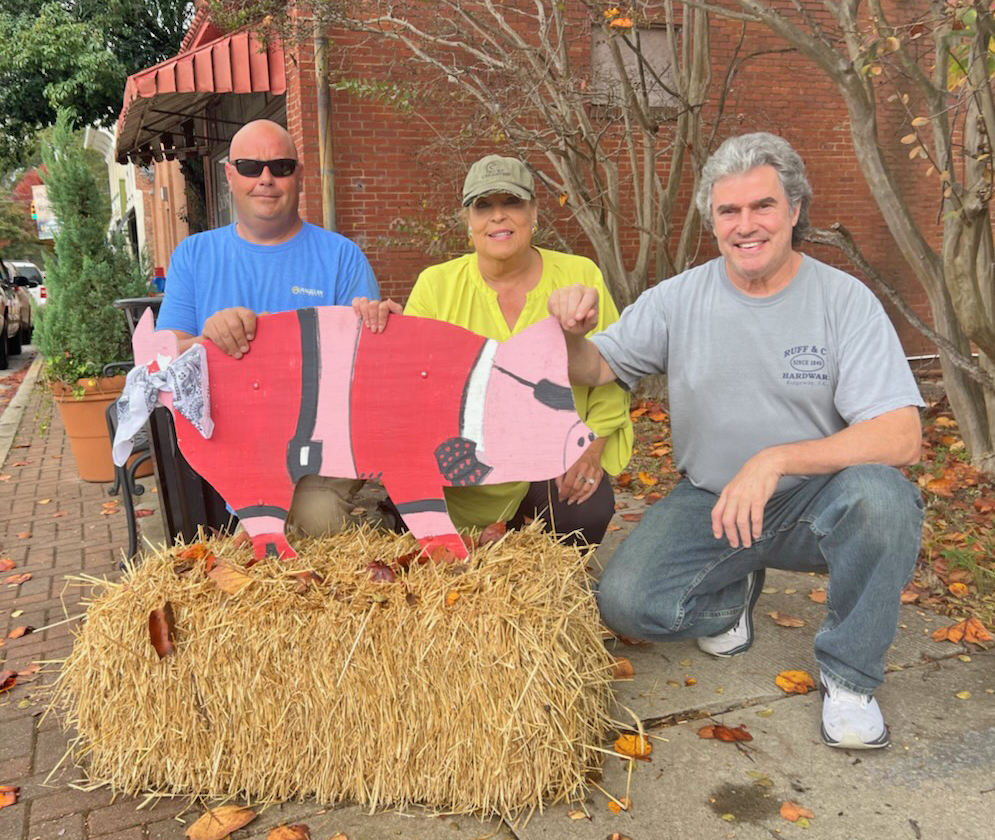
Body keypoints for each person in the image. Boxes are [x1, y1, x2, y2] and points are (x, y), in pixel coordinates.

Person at [546, 133, 924, 749]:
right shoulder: (678, 298)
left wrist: (776, 459)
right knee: (626, 603)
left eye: (762, 206)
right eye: (729, 211)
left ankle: (850, 676)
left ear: (794, 210)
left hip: (818, 503)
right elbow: (594, 368)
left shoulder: (843, 300)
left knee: (884, 499)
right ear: (713, 221)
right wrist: (569, 332)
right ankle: (732, 594)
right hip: (714, 501)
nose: (746, 225)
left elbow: (902, 435)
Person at [356, 154, 632, 545]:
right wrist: (387, 341)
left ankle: (547, 563)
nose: (498, 216)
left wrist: (590, 449)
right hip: (464, 467)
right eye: (483, 205)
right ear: (467, 221)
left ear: (533, 212)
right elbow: (412, 391)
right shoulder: (436, 285)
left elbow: (611, 375)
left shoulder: (579, 275)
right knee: (424, 532)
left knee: (585, 508)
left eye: (512, 202)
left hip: (550, 459)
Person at [156, 118, 381, 537]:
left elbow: (368, 371)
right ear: (229, 175)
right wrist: (209, 339)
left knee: (316, 518)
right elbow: (161, 357)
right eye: (249, 167)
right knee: (258, 538)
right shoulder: (194, 255)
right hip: (227, 451)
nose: (265, 179)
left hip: (320, 451)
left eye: (280, 167)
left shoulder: (342, 257)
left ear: (299, 176)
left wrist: (382, 329)